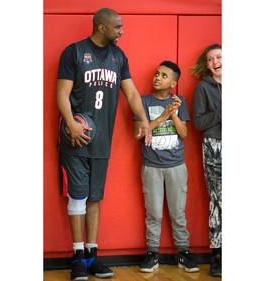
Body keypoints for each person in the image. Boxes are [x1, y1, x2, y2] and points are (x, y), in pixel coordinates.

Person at [56, 8, 152, 281]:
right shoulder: (73, 52)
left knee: (95, 198)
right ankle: (77, 258)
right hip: (75, 138)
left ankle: (92, 255)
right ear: (101, 27)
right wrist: (71, 124)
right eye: (118, 27)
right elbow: (62, 93)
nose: (122, 31)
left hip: (102, 141)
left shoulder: (118, 56)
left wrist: (143, 119)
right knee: (78, 197)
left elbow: (131, 91)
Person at [133, 61, 199, 273]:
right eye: (156, 74)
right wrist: (161, 116)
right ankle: (152, 254)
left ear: (173, 82)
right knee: (153, 212)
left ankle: (184, 252)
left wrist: (172, 113)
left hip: (176, 166)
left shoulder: (180, 102)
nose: (158, 78)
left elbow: (185, 134)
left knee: (178, 212)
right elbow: (139, 133)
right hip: (152, 166)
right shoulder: (143, 102)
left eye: (164, 75)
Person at [191, 43, 222, 277]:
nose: (214, 62)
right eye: (210, 59)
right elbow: (199, 123)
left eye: (219, 57)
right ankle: (218, 256)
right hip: (215, 146)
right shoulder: (203, 87)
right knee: (218, 202)